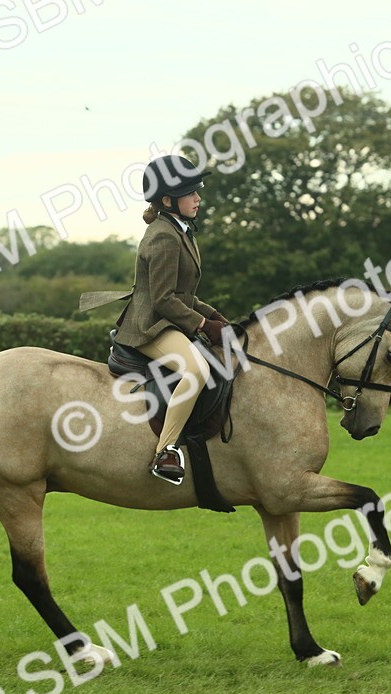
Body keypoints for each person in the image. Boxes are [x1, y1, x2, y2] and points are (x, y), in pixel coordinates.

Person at [114, 155, 230, 484]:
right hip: (150, 327)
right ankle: (166, 451)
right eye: (192, 193)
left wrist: (215, 316)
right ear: (168, 201)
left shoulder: (180, 230)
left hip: (166, 318)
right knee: (196, 369)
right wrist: (204, 326)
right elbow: (164, 300)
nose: (198, 198)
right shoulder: (164, 236)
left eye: (198, 192)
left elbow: (184, 295)